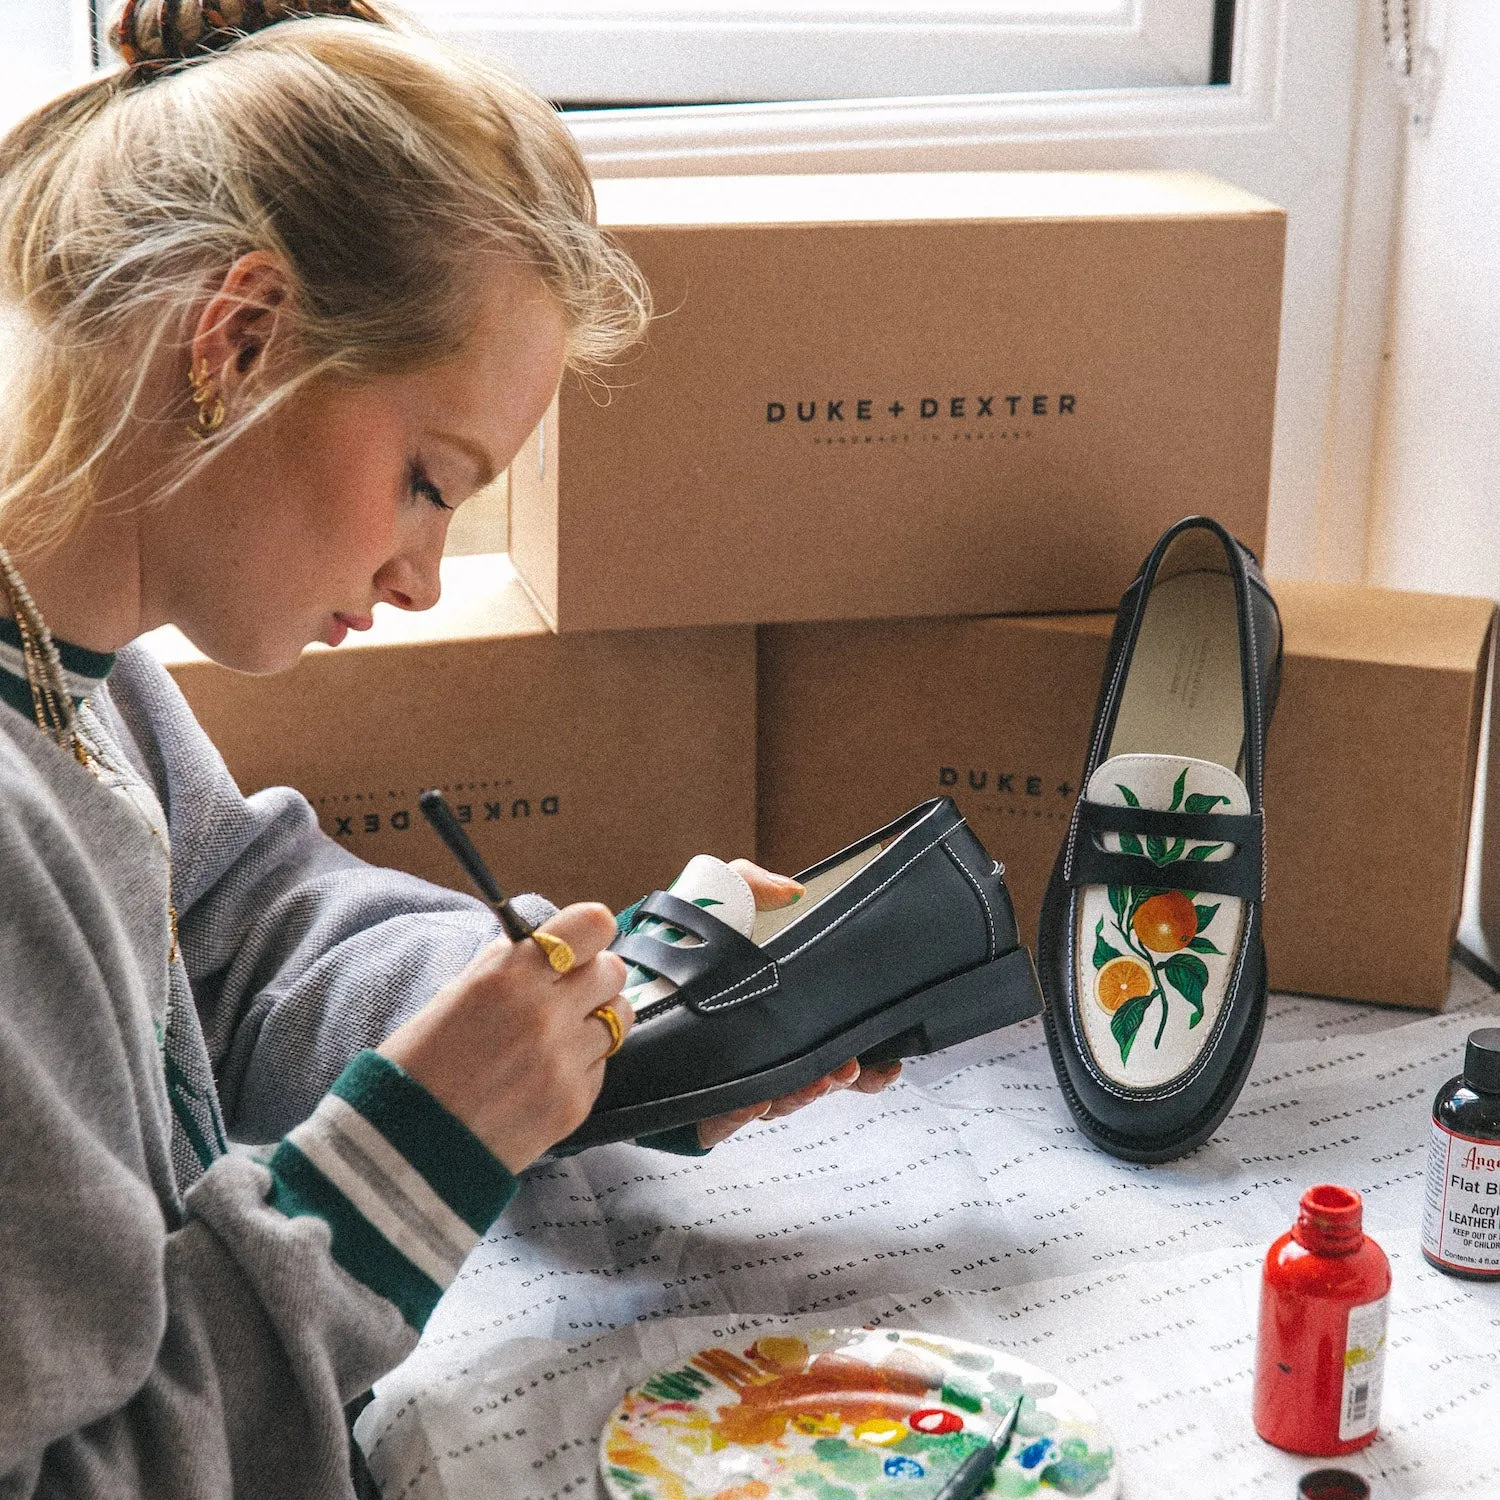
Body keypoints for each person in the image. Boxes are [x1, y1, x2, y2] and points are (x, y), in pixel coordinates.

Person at [0, 5, 898, 1495]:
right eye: (429, 480)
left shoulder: (84, 675)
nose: (423, 576)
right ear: (242, 337)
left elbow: (240, 935)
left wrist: (586, 1031)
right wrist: (416, 1150)